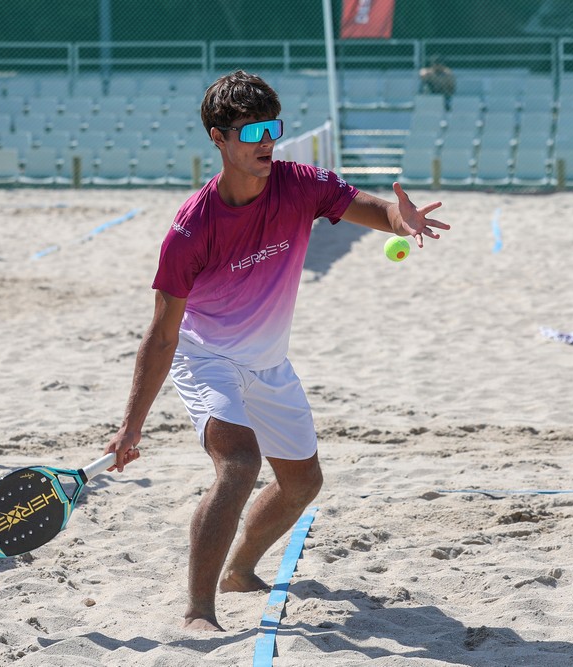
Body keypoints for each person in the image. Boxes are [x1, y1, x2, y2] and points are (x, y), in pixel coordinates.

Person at [101, 70, 450, 631]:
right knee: (239, 465)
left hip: (269, 363)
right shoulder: (191, 230)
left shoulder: (300, 185)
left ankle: (239, 570)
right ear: (218, 139)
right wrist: (131, 425)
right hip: (207, 358)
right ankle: (198, 611)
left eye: (272, 128)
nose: (266, 141)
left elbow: (371, 209)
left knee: (303, 485)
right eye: (251, 131)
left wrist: (398, 219)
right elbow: (162, 333)